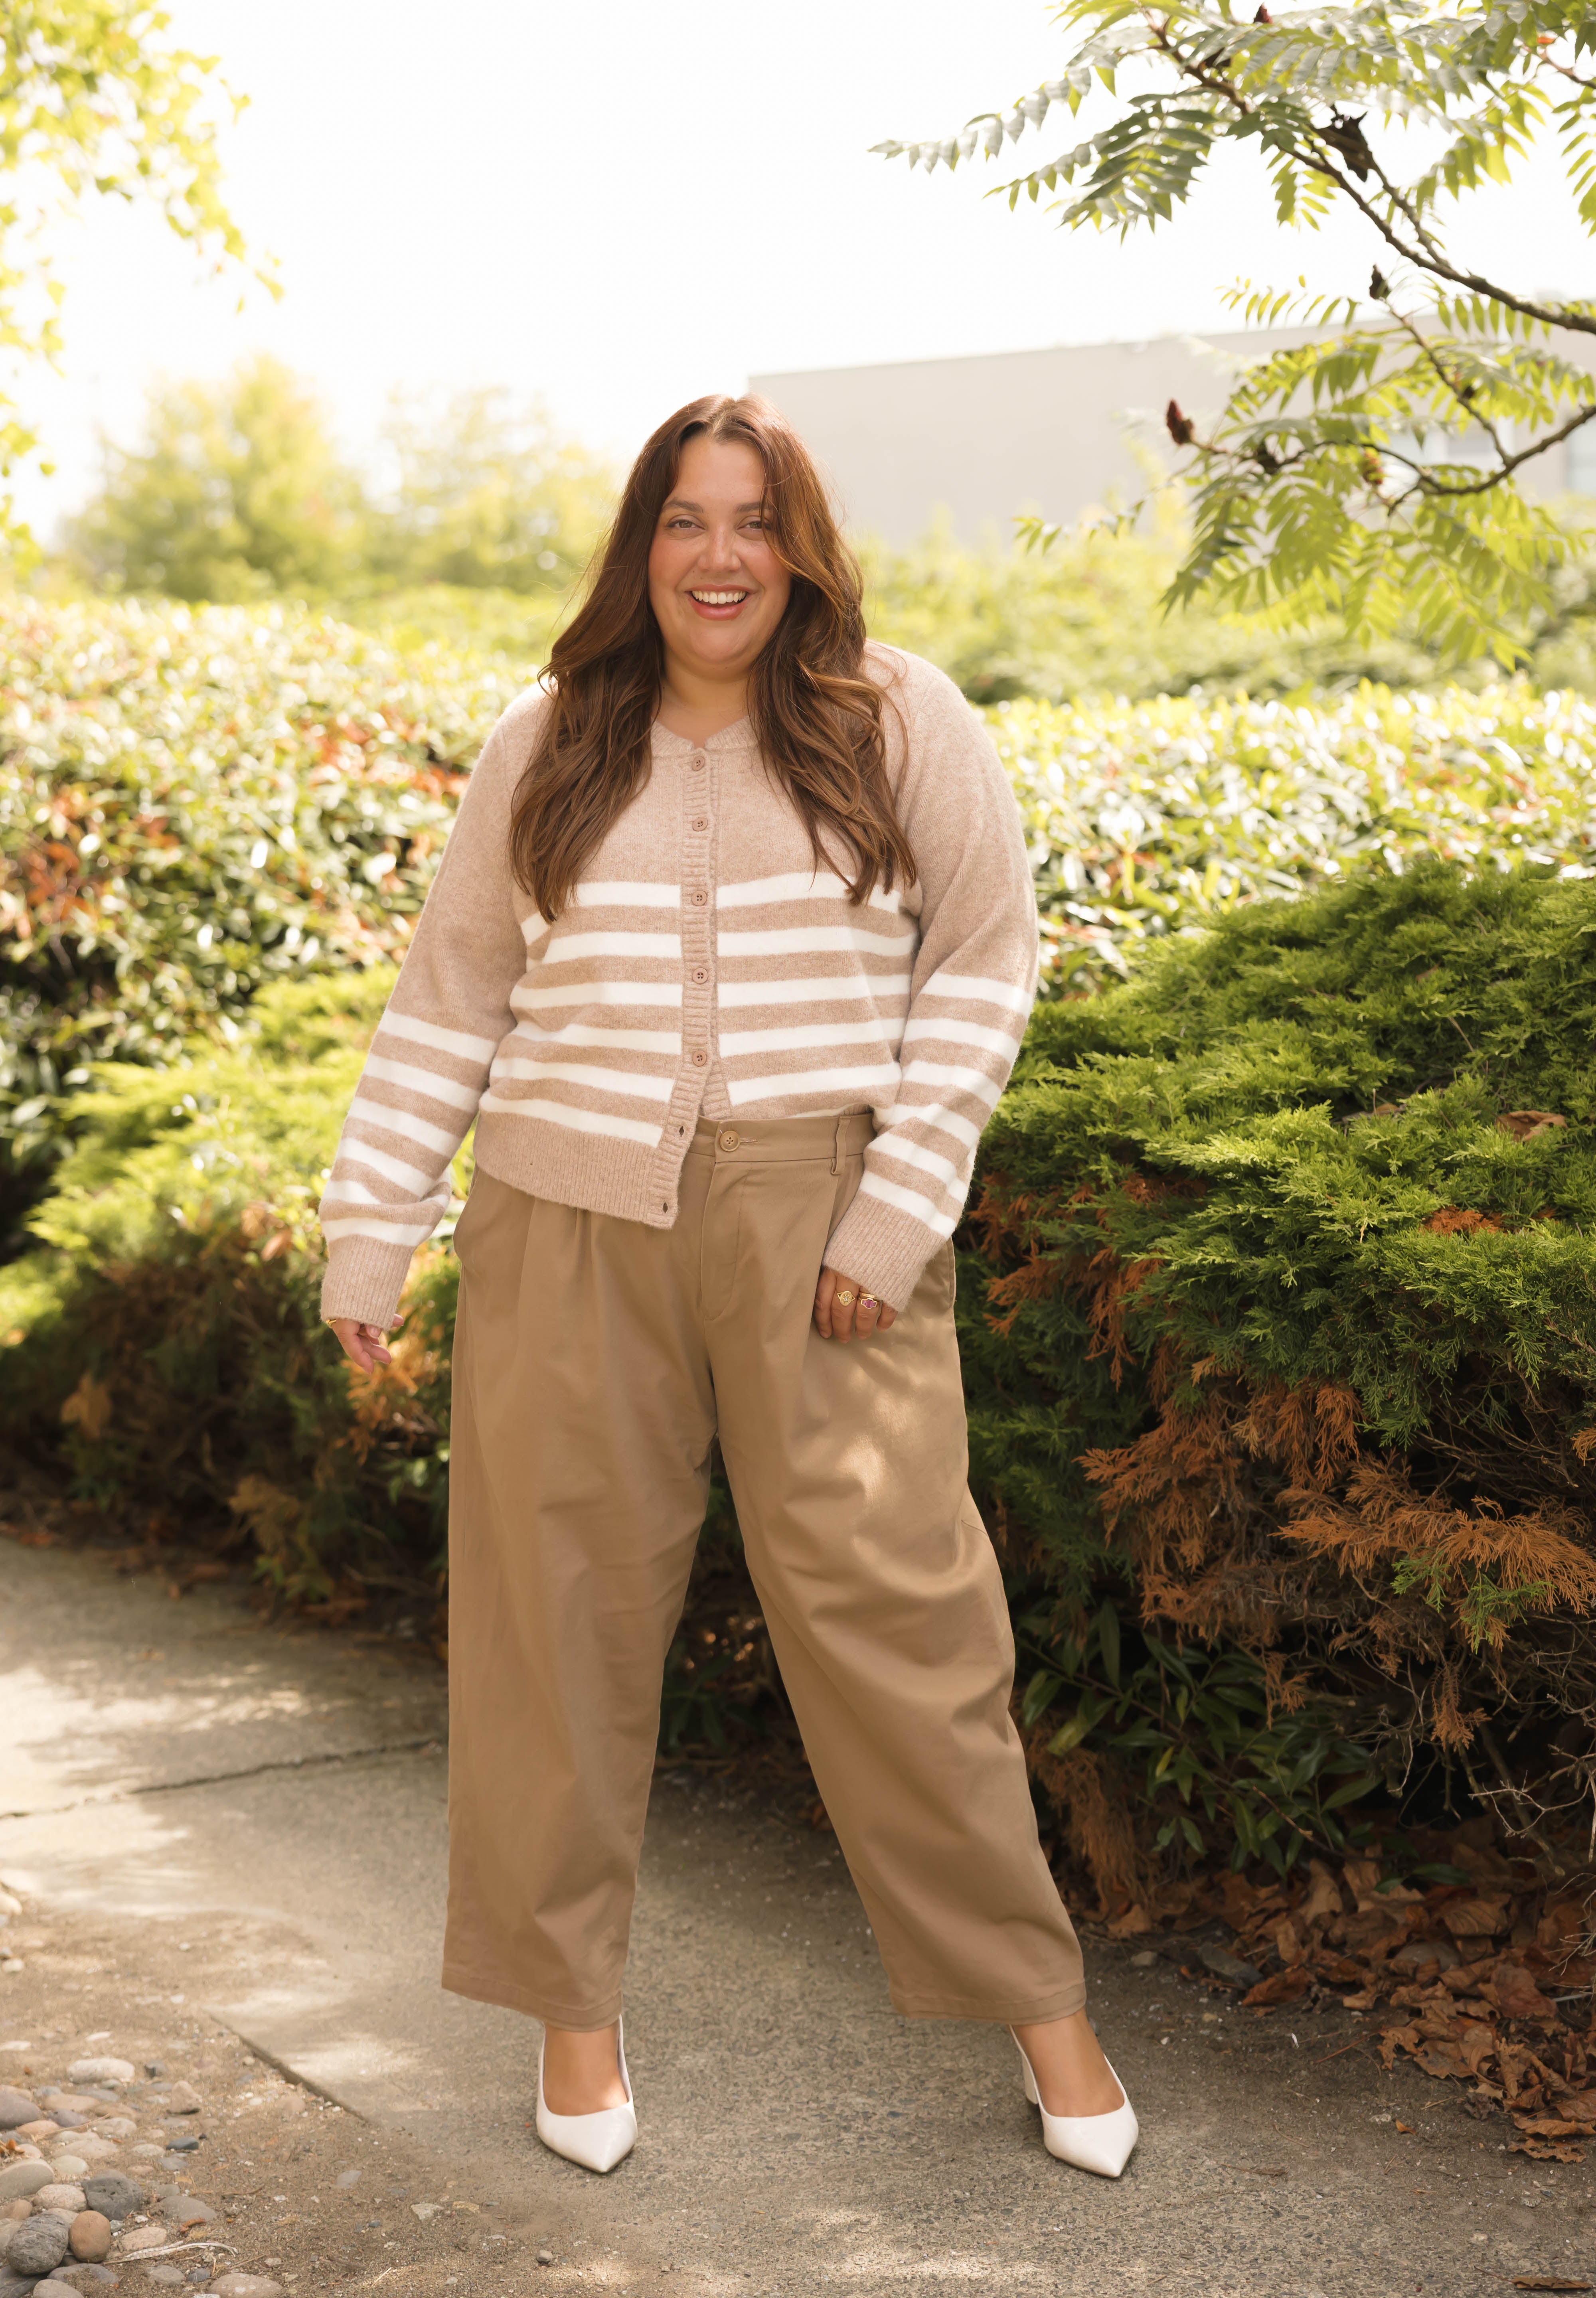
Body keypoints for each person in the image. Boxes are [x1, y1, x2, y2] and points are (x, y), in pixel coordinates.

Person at [320, 394, 1137, 2181]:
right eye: (685, 522)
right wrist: (372, 1227)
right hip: (562, 1217)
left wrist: (893, 1213)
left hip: (822, 1231)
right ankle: (575, 2030)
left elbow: (987, 969)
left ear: (801, 544)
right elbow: (452, 998)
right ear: (642, 549)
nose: (719, 556)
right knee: (553, 1625)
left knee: (904, 1624)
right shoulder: (546, 739)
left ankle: (1047, 2021)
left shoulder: (894, 718)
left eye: (753, 521)